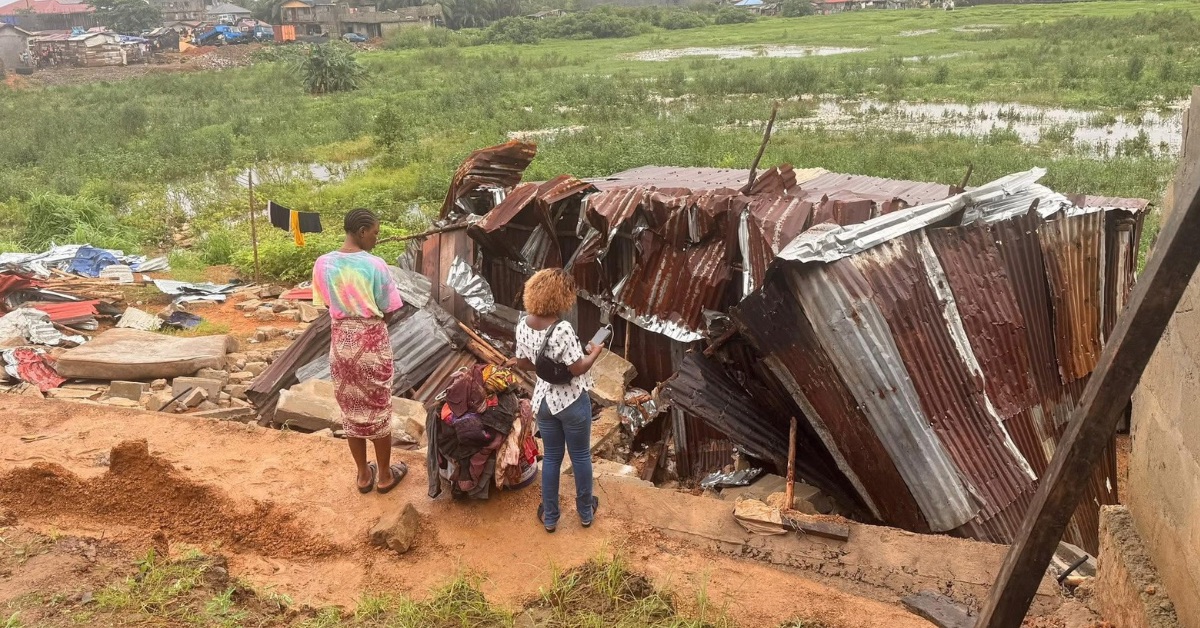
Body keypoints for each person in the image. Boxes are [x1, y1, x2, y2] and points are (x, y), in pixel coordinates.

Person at [312, 208, 408, 495]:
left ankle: (364, 475)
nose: (376, 239)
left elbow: (327, 305)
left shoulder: (323, 264)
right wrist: (371, 328)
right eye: (375, 233)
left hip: (341, 344)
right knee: (379, 410)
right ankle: (385, 476)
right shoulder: (376, 266)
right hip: (372, 342)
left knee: (350, 410)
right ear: (362, 231)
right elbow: (389, 309)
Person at [509, 269, 604, 532]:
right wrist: (594, 353)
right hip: (572, 400)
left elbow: (525, 363)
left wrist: (546, 366)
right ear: (561, 298)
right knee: (580, 455)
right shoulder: (562, 329)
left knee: (551, 457)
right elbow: (577, 368)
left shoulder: (522, 324)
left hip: (544, 402)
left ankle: (550, 516)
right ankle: (585, 511)